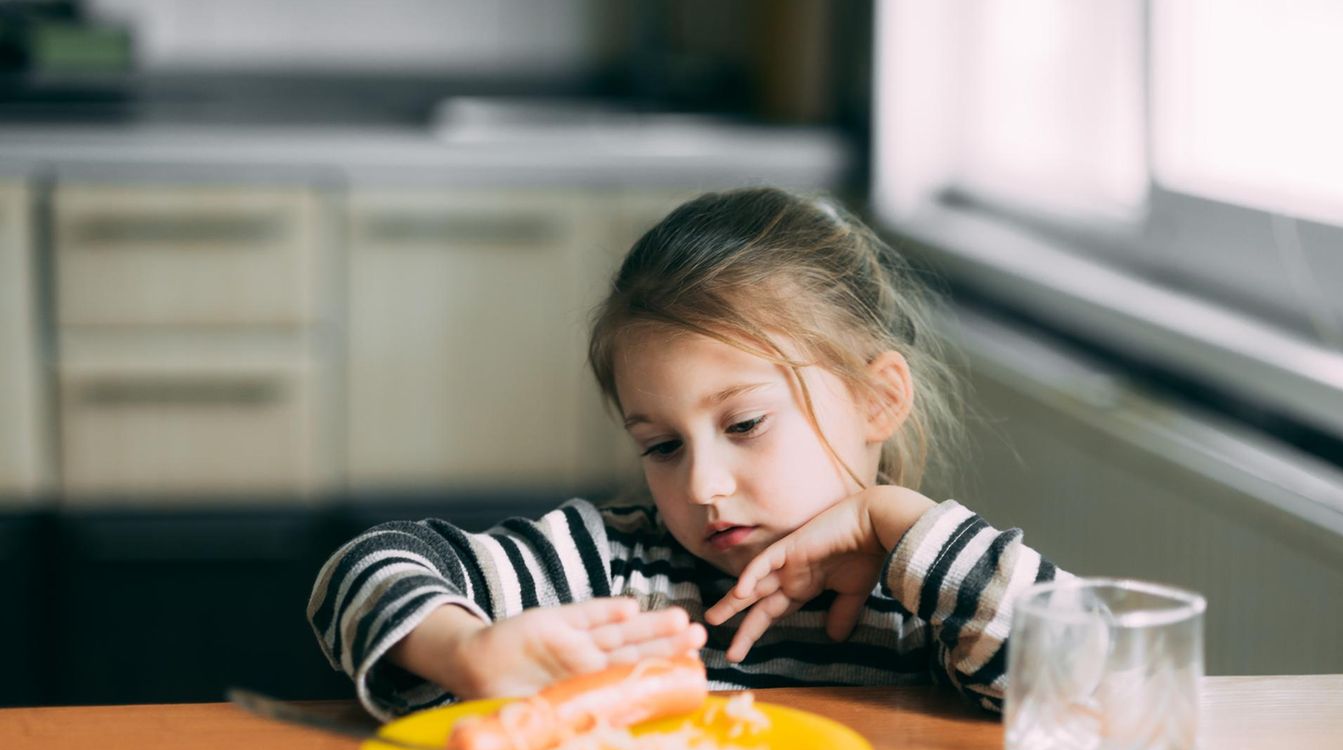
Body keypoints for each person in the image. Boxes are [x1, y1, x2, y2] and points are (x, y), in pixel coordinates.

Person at [308, 187, 1067, 721]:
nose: (701, 484)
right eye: (663, 445)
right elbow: (361, 571)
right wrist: (463, 650)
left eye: (745, 424)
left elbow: (1087, 677)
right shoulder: (617, 572)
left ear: (877, 400)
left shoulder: (937, 591)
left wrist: (898, 520)